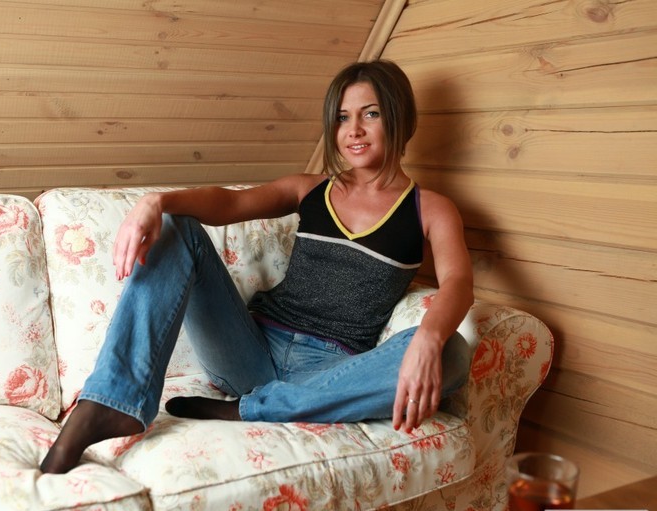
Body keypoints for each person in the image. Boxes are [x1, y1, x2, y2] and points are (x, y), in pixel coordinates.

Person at [40, 59, 474, 474]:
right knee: (176, 226)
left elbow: (458, 281)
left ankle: (250, 409)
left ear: (400, 118)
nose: (354, 130)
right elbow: (230, 203)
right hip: (248, 351)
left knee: (451, 352)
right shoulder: (310, 189)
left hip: (329, 371)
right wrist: (156, 201)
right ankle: (113, 404)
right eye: (342, 118)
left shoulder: (431, 209)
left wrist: (429, 337)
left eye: (371, 114)